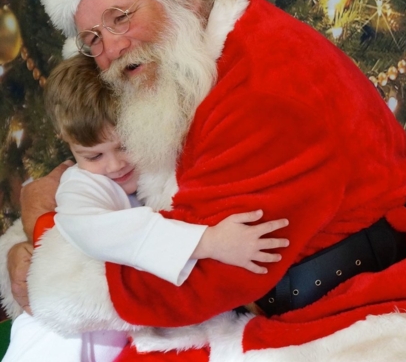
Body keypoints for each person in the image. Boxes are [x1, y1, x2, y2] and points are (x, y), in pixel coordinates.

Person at [0, 0, 406, 361]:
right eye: (92, 39)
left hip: (351, 316)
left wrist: (50, 265)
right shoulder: (192, 64)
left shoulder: (263, 85)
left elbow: (203, 277)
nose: (111, 47)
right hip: (269, 299)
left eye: (122, 17)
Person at [1, 53, 289, 362]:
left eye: (125, 145)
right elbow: (107, 234)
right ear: (68, 144)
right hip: (58, 336)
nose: (114, 165)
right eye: (94, 156)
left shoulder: (164, 166)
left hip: (117, 330)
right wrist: (210, 242)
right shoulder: (81, 185)